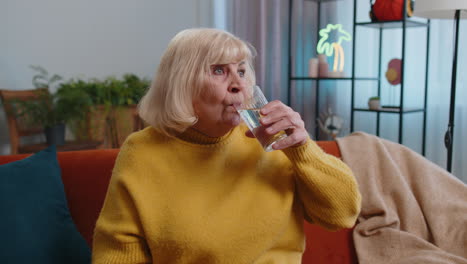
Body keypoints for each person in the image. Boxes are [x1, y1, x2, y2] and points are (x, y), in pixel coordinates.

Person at [92, 28, 361, 264]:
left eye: (242, 71)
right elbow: (119, 251)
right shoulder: (143, 151)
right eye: (219, 70)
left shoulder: (273, 139)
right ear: (182, 84)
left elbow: (343, 214)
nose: (239, 84)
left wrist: (302, 149)